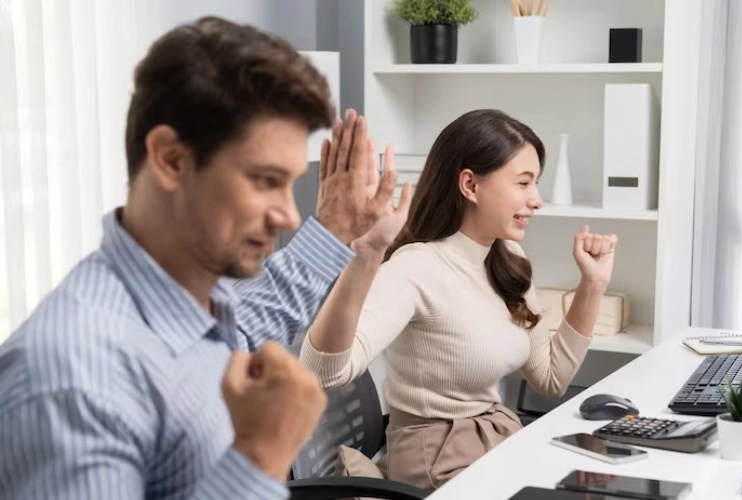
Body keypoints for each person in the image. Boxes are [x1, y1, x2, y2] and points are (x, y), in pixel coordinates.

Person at [0, 17, 406, 500]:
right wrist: (260, 458)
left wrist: (336, 229)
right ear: (171, 160)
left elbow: (256, 318)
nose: (288, 215)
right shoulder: (72, 383)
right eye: (263, 180)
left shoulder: (191, 302)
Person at [299, 109, 618, 490]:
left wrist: (592, 286)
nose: (536, 200)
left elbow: (551, 378)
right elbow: (323, 373)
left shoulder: (509, 259)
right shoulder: (414, 268)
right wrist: (366, 257)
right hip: (437, 465)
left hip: (496, 447)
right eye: (523, 183)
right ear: (470, 185)